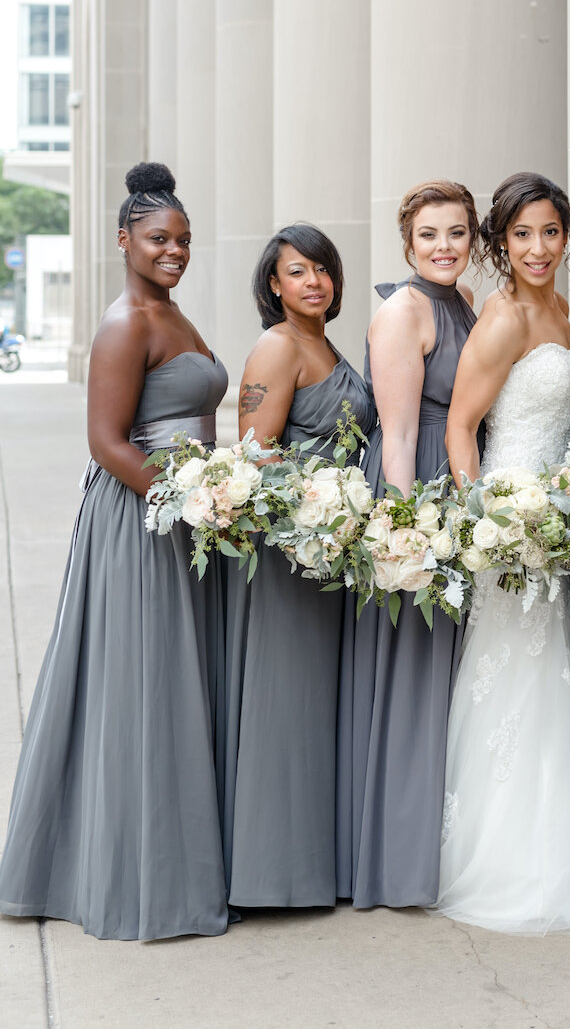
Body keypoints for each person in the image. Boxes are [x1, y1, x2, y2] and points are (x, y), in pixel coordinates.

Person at [0, 162, 229, 939]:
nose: (174, 251)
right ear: (124, 239)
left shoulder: (172, 313)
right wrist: (187, 502)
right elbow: (105, 443)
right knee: (141, 685)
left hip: (182, 511)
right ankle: (133, 877)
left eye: (184, 240)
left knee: (166, 681)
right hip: (140, 519)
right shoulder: (127, 321)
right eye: (160, 239)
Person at [438, 173, 570, 933]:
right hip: (513, 524)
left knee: (552, 678)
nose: (539, 249)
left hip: (557, 521)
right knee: (514, 680)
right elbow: (460, 429)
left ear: (567, 235)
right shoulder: (502, 317)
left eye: (551, 232)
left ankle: (553, 845)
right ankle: (507, 861)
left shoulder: (562, 310)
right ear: (501, 244)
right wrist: (490, 527)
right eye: (523, 235)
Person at [337, 181, 480, 909]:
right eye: (430, 235)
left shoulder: (462, 304)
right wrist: (405, 528)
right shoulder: (405, 308)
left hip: (452, 484)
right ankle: (393, 857)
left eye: (457, 233)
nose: (445, 246)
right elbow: (394, 431)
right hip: (415, 486)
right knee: (412, 664)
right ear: (407, 244)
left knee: (443, 669)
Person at [223, 224, 374, 908]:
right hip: (292, 553)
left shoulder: (325, 343)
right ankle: (271, 873)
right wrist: (321, 499)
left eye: (321, 269)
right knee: (287, 705)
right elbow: (254, 457)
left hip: (335, 550)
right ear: (273, 285)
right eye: (296, 271)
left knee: (321, 706)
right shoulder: (277, 346)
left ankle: (320, 864)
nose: (313, 282)